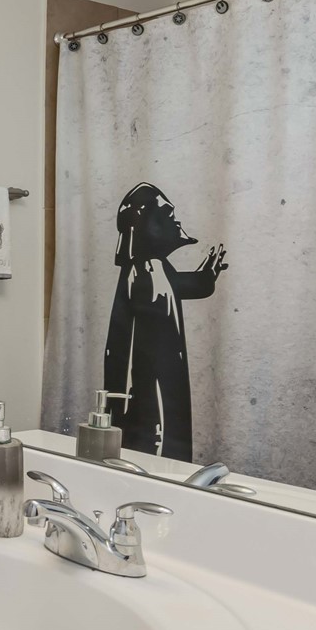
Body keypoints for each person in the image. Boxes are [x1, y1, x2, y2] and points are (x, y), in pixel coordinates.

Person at [101, 183, 228, 460]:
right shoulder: (147, 270)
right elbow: (146, 359)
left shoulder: (149, 269)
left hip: (151, 398)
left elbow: (177, 287)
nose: (177, 220)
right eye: (169, 215)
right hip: (153, 401)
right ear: (149, 226)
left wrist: (207, 274)